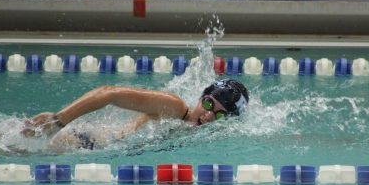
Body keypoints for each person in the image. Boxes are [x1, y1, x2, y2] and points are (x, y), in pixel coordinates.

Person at [21, 79, 249, 140]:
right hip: (83, 142)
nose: (209, 115)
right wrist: (58, 120)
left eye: (219, 114)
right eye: (209, 104)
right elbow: (109, 92)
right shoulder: (175, 107)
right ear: (201, 97)